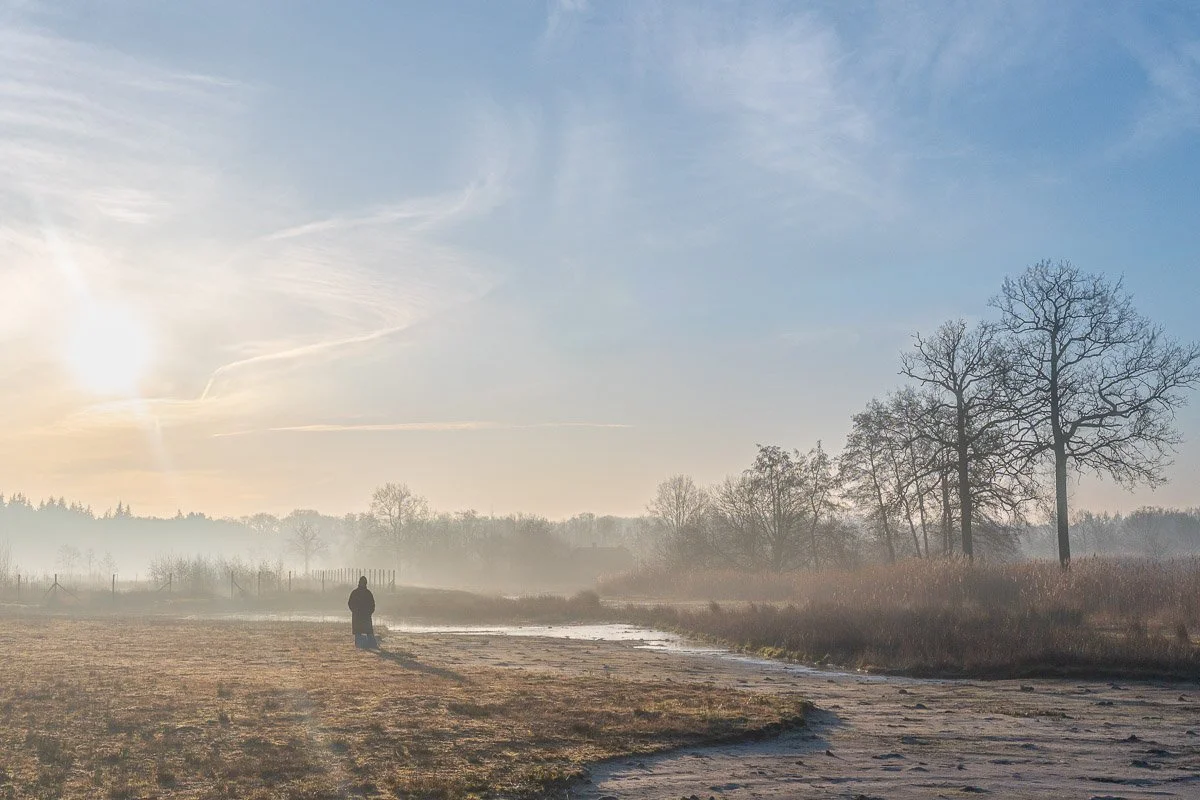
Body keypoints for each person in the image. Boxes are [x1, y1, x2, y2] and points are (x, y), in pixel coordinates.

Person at [347, 575, 377, 649]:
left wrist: (369, 612)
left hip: (364, 616)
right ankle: (361, 647)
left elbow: (372, 605)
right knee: (359, 633)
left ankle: (371, 646)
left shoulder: (365, 593)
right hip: (359, 616)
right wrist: (355, 611)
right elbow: (350, 603)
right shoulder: (357, 593)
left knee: (368, 633)